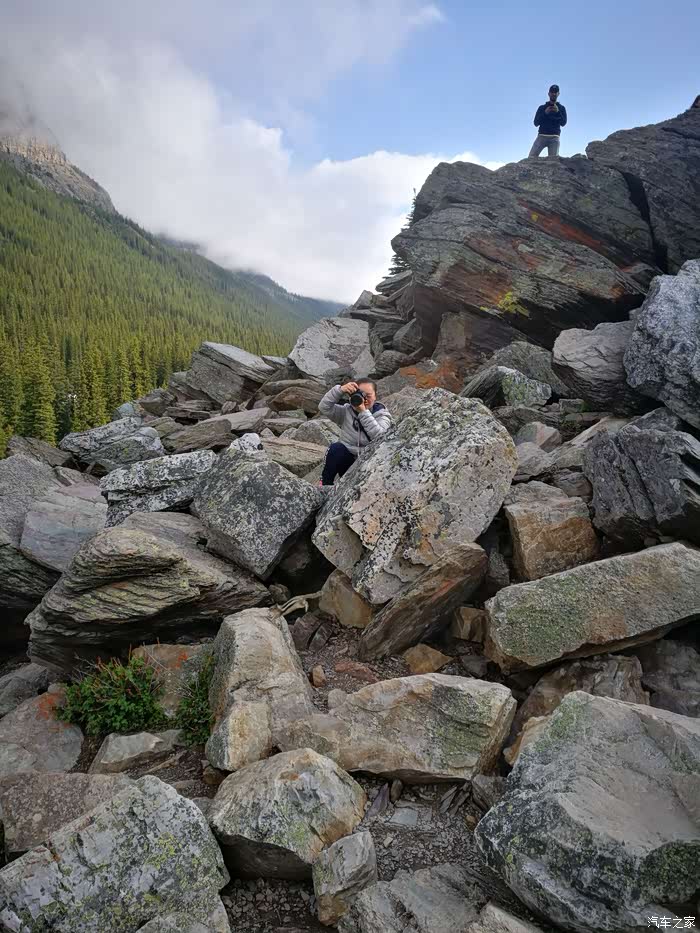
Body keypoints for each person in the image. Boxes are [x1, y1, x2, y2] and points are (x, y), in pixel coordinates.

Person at [318, 378, 392, 485]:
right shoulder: (346, 411)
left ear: (375, 396)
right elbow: (323, 407)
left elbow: (380, 437)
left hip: (370, 464)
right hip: (348, 463)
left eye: (368, 395)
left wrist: (363, 412)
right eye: (360, 394)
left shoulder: (382, 415)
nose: (364, 399)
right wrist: (340, 390)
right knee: (336, 448)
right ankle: (324, 485)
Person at [529, 85, 567, 158]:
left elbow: (563, 123)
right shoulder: (542, 108)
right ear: (548, 93)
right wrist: (545, 113)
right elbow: (536, 123)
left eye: (555, 92)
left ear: (558, 94)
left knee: (553, 162)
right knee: (531, 158)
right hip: (541, 136)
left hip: (555, 137)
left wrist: (558, 112)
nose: (553, 94)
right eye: (552, 92)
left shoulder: (561, 108)